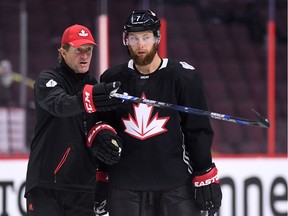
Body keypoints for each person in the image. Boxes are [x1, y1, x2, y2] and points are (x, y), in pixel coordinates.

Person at [99, 10, 222, 216]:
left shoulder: (183, 77)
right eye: (134, 38)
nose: (140, 44)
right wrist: (101, 175)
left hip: (175, 187)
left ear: (157, 38)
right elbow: (105, 133)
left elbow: (197, 131)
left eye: (146, 37)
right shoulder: (112, 79)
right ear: (125, 40)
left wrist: (204, 172)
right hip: (125, 189)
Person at [24, 24, 123, 216]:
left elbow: (95, 126)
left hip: (82, 188)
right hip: (47, 186)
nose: (84, 55)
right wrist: (92, 97)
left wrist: (106, 134)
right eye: (78, 50)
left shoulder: (93, 85)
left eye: (89, 50)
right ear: (63, 52)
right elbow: (61, 105)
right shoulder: (48, 79)